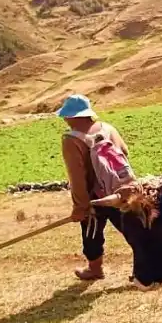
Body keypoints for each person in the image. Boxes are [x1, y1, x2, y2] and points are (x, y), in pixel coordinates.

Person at [58, 94, 130, 280]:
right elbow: (125, 152)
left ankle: (95, 269)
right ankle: (154, 265)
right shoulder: (109, 129)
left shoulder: (71, 139)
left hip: (95, 199)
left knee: (91, 234)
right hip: (120, 191)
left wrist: (81, 207)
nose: (65, 120)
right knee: (133, 229)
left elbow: (77, 177)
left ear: (72, 116)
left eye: (66, 116)